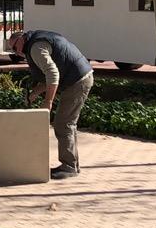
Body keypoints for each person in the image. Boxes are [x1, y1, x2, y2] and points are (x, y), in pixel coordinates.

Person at [8, 30, 94, 180]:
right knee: (68, 123)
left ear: (21, 39)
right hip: (80, 77)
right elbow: (52, 74)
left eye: (15, 48)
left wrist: (48, 102)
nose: (16, 53)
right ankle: (72, 165)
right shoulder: (36, 42)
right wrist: (35, 93)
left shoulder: (35, 48)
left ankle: (69, 166)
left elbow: (53, 74)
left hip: (77, 81)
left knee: (63, 124)